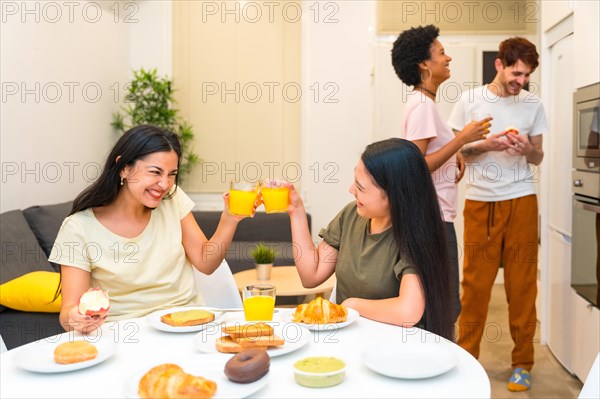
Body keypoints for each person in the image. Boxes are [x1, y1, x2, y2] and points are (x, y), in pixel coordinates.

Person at [49, 125, 249, 334]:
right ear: (123, 167)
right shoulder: (78, 228)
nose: (164, 184)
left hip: (188, 325)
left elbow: (206, 263)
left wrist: (229, 219)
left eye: (172, 174)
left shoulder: (172, 199)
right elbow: (68, 312)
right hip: (124, 335)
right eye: (155, 172)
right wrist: (76, 318)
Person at [447, 37, 547, 392]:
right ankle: (467, 360)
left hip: (522, 199)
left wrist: (525, 149)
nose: (520, 80)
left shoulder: (532, 104)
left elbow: (538, 156)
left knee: (522, 288)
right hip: (480, 203)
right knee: (475, 288)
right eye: (516, 72)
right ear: (499, 65)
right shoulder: (469, 101)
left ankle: (522, 363)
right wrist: (488, 144)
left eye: (527, 75)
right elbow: (460, 154)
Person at [286, 138, 454, 341]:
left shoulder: (416, 235)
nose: (351, 190)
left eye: (360, 186)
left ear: (393, 194)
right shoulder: (351, 215)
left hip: (395, 346)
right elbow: (310, 275)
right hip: (349, 341)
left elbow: (408, 311)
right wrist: (296, 211)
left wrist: (351, 306)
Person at [391, 25, 490, 323]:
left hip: (431, 215)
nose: (448, 59)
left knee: (440, 303)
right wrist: (462, 139)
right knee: (445, 306)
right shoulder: (423, 106)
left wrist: (454, 154)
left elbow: (423, 157)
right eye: (442, 53)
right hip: (431, 218)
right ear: (424, 64)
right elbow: (415, 166)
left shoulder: (423, 103)